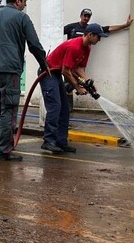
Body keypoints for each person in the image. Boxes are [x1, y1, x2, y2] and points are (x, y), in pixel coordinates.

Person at [0, 0, 48, 161]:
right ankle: (4, 151)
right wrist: (45, 65)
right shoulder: (22, 18)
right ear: (17, 1)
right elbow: (34, 45)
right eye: (24, 1)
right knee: (8, 110)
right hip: (10, 70)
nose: (25, 4)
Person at [39, 24, 107, 154]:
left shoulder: (87, 49)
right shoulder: (74, 46)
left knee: (64, 109)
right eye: (98, 37)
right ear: (90, 35)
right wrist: (77, 87)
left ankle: (60, 142)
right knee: (55, 106)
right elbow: (66, 71)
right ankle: (48, 141)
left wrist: (88, 82)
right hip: (48, 73)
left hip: (56, 74)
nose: (99, 40)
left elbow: (78, 68)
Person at [63, 8, 133, 40]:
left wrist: (125, 25)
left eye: (88, 16)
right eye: (85, 16)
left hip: (82, 56)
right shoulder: (71, 27)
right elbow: (57, 33)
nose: (86, 18)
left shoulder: (91, 28)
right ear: (81, 16)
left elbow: (108, 28)